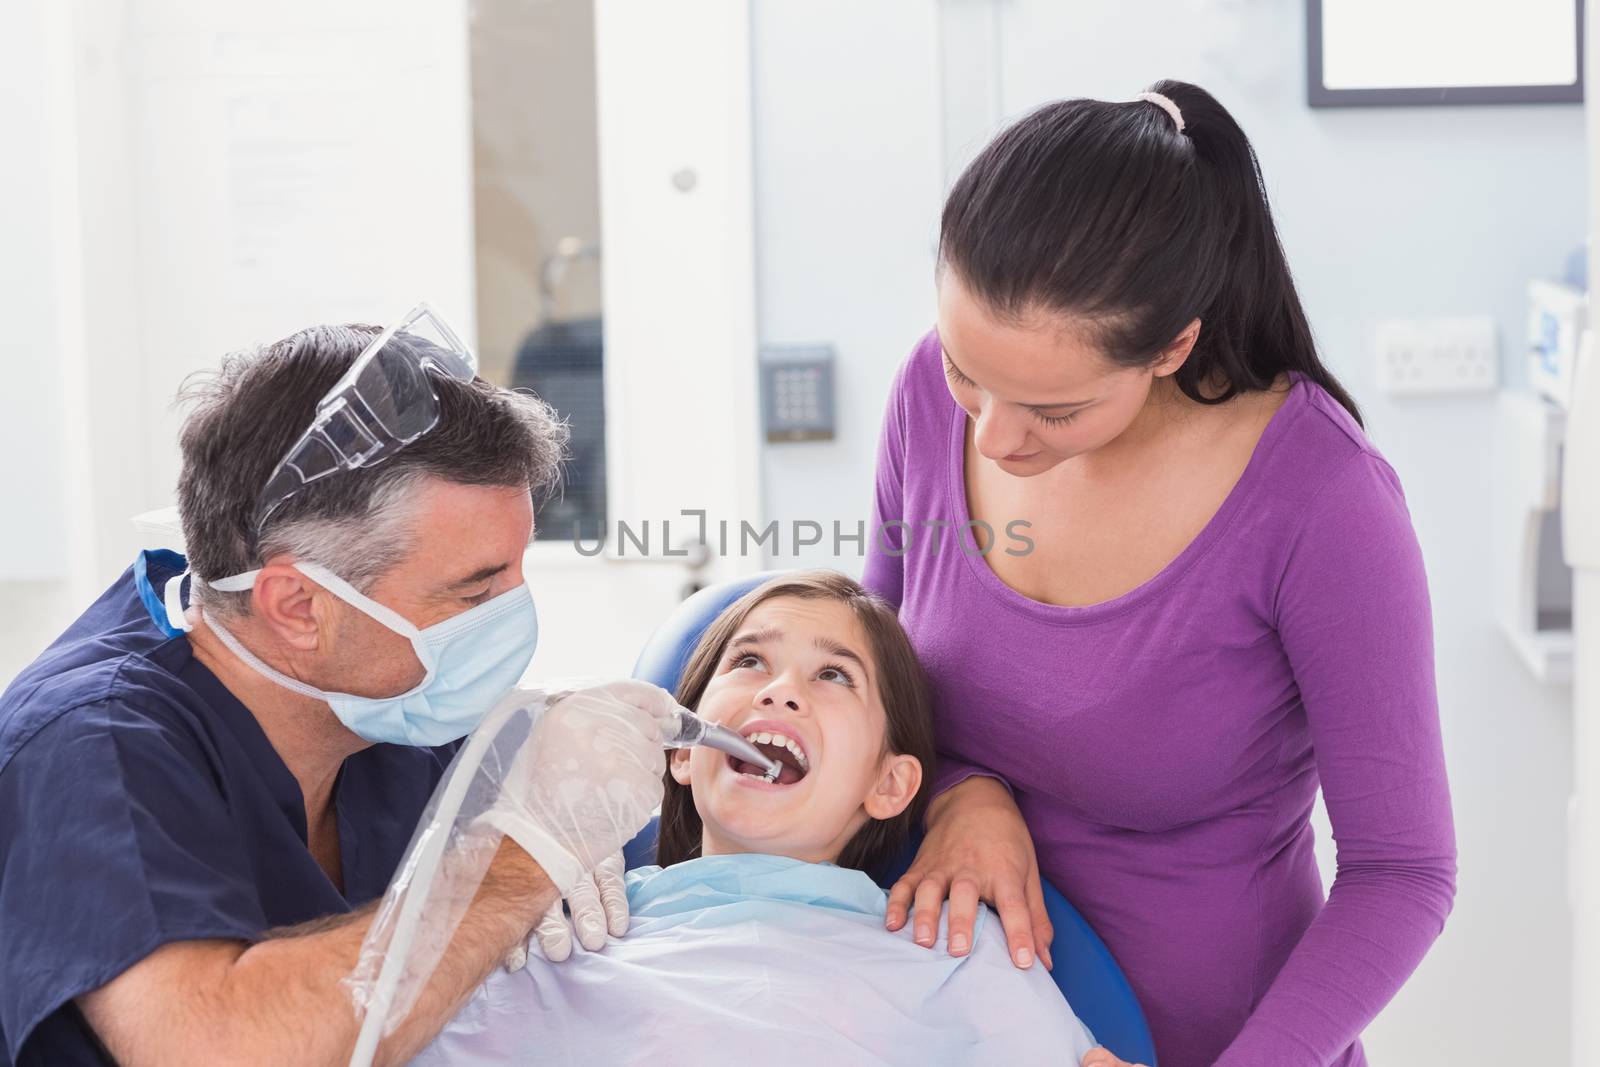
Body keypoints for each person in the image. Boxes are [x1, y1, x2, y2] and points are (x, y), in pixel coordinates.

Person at [866, 81, 1456, 1067]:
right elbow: (878, 689)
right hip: (957, 1031)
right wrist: (966, 793)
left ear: (1170, 347)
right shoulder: (928, 397)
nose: (995, 435)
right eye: (970, 374)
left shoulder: (1321, 500)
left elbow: (1403, 870)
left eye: (1054, 410)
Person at [0, 310, 674, 1067]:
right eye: (475, 594)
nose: (514, 619)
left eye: (518, 572)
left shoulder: (388, 712)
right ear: (296, 606)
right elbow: (213, 1049)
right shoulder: (95, 745)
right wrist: (518, 862)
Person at [412, 572, 1101, 1065]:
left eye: (834, 675)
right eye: (749, 661)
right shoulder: (554, 929)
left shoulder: (956, 949)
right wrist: (504, 889)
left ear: (890, 784)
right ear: (680, 752)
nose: (780, 690)